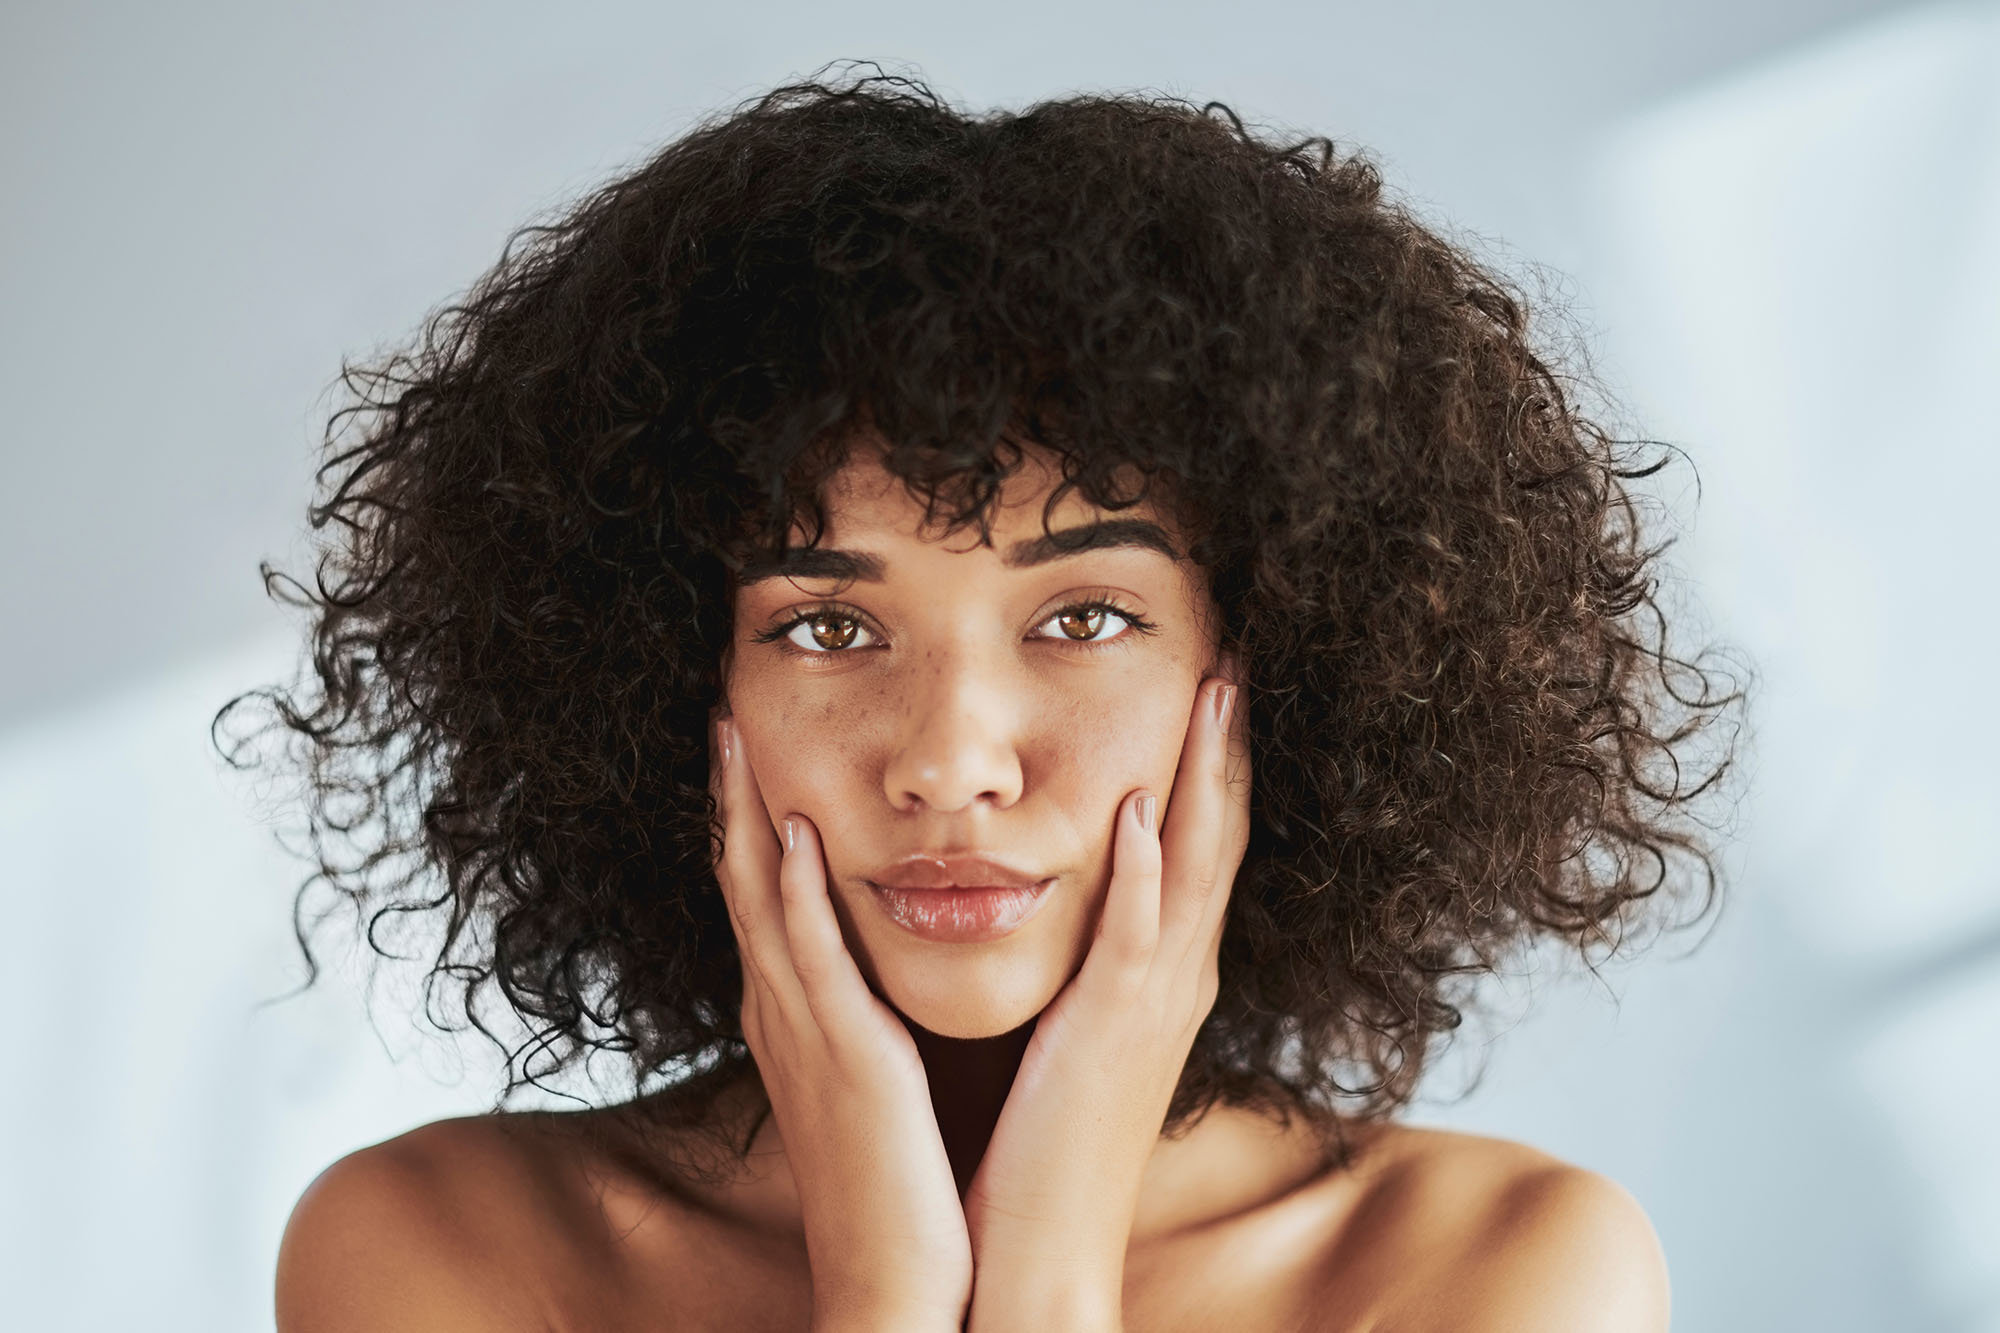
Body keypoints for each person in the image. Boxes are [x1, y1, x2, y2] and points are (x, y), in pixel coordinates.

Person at [233, 65, 1739, 1331]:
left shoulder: (1491, 1274)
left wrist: (1050, 1264)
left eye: (1084, 615)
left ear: (1274, 665)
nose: (951, 757)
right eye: (828, 625)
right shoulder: (449, 1254)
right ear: (672, 685)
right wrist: (890, 1288)